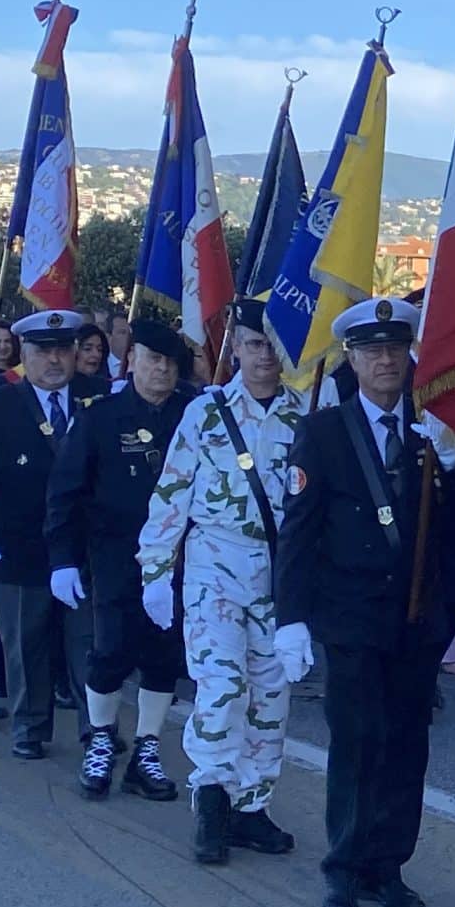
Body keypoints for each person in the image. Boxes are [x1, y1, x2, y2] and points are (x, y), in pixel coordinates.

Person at [274, 297, 455, 907]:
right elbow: (300, 533)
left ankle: (387, 865)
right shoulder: (324, 433)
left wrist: (452, 463)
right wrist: (292, 619)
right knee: (357, 744)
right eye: (372, 351)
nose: (386, 360)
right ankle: (342, 869)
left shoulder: (437, 429)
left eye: (395, 349)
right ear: (353, 360)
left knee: (406, 745)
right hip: (351, 615)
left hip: (418, 617)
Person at [138, 305, 314, 863]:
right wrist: (156, 571)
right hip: (216, 564)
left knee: (271, 693)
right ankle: (211, 796)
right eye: (252, 344)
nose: (263, 356)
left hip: (279, 575)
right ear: (233, 348)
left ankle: (252, 806)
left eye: (272, 346)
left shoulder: (304, 416)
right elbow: (172, 492)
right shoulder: (205, 413)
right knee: (222, 684)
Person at [48, 318, 197, 802]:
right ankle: (100, 738)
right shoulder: (100, 416)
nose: (162, 372)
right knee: (110, 650)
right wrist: (62, 560)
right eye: (153, 360)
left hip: (178, 558)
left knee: (163, 655)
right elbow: (65, 492)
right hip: (115, 554)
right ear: (132, 360)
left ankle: (147, 749)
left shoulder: (193, 414)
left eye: (171, 364)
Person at [0, 309, 95, 760]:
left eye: (62, 350)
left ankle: (97, 730)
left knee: (89, 646)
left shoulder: (102, 400)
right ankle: (29, 726)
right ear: (24, 354)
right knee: (25, 643)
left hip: (84, 549)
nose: (54, 361)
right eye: (42, 351)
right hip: (20, 545)